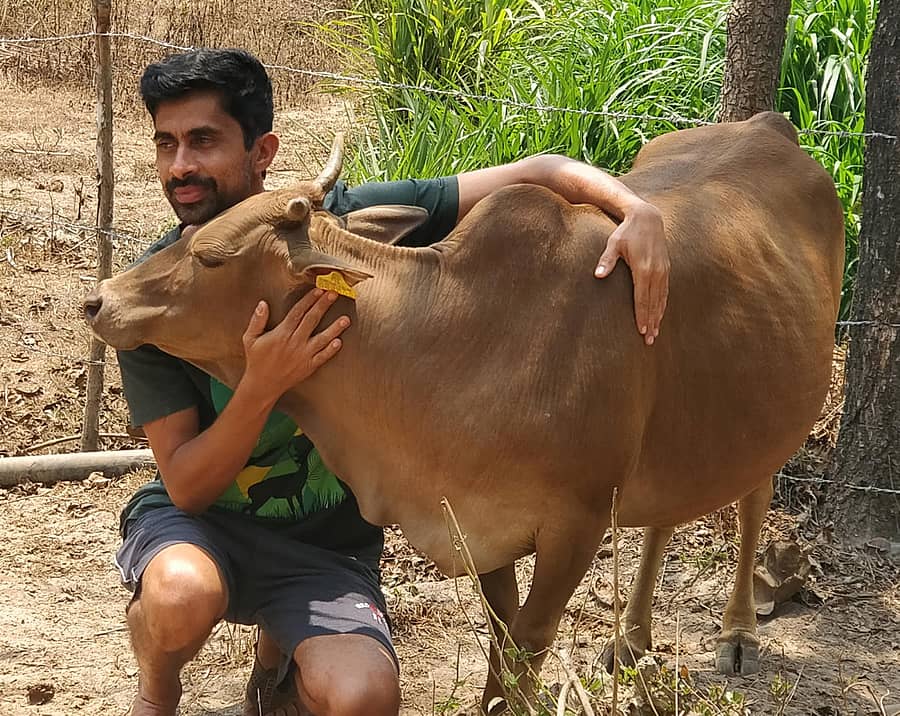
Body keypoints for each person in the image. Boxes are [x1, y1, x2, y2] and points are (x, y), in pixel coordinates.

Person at [114, 47, 669, 716]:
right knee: (179, 597)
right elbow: (188, 486)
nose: (181, 166)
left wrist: (638, 209)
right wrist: (264, 383)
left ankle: (282, 663)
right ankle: (157, 690)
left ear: (262, 150)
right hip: (202, 529)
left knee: (365, 698)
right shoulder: (154, 292)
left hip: (324, 547)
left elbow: (543, 172)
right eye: (166, 144)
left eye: (203, 141)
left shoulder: (339, 230)